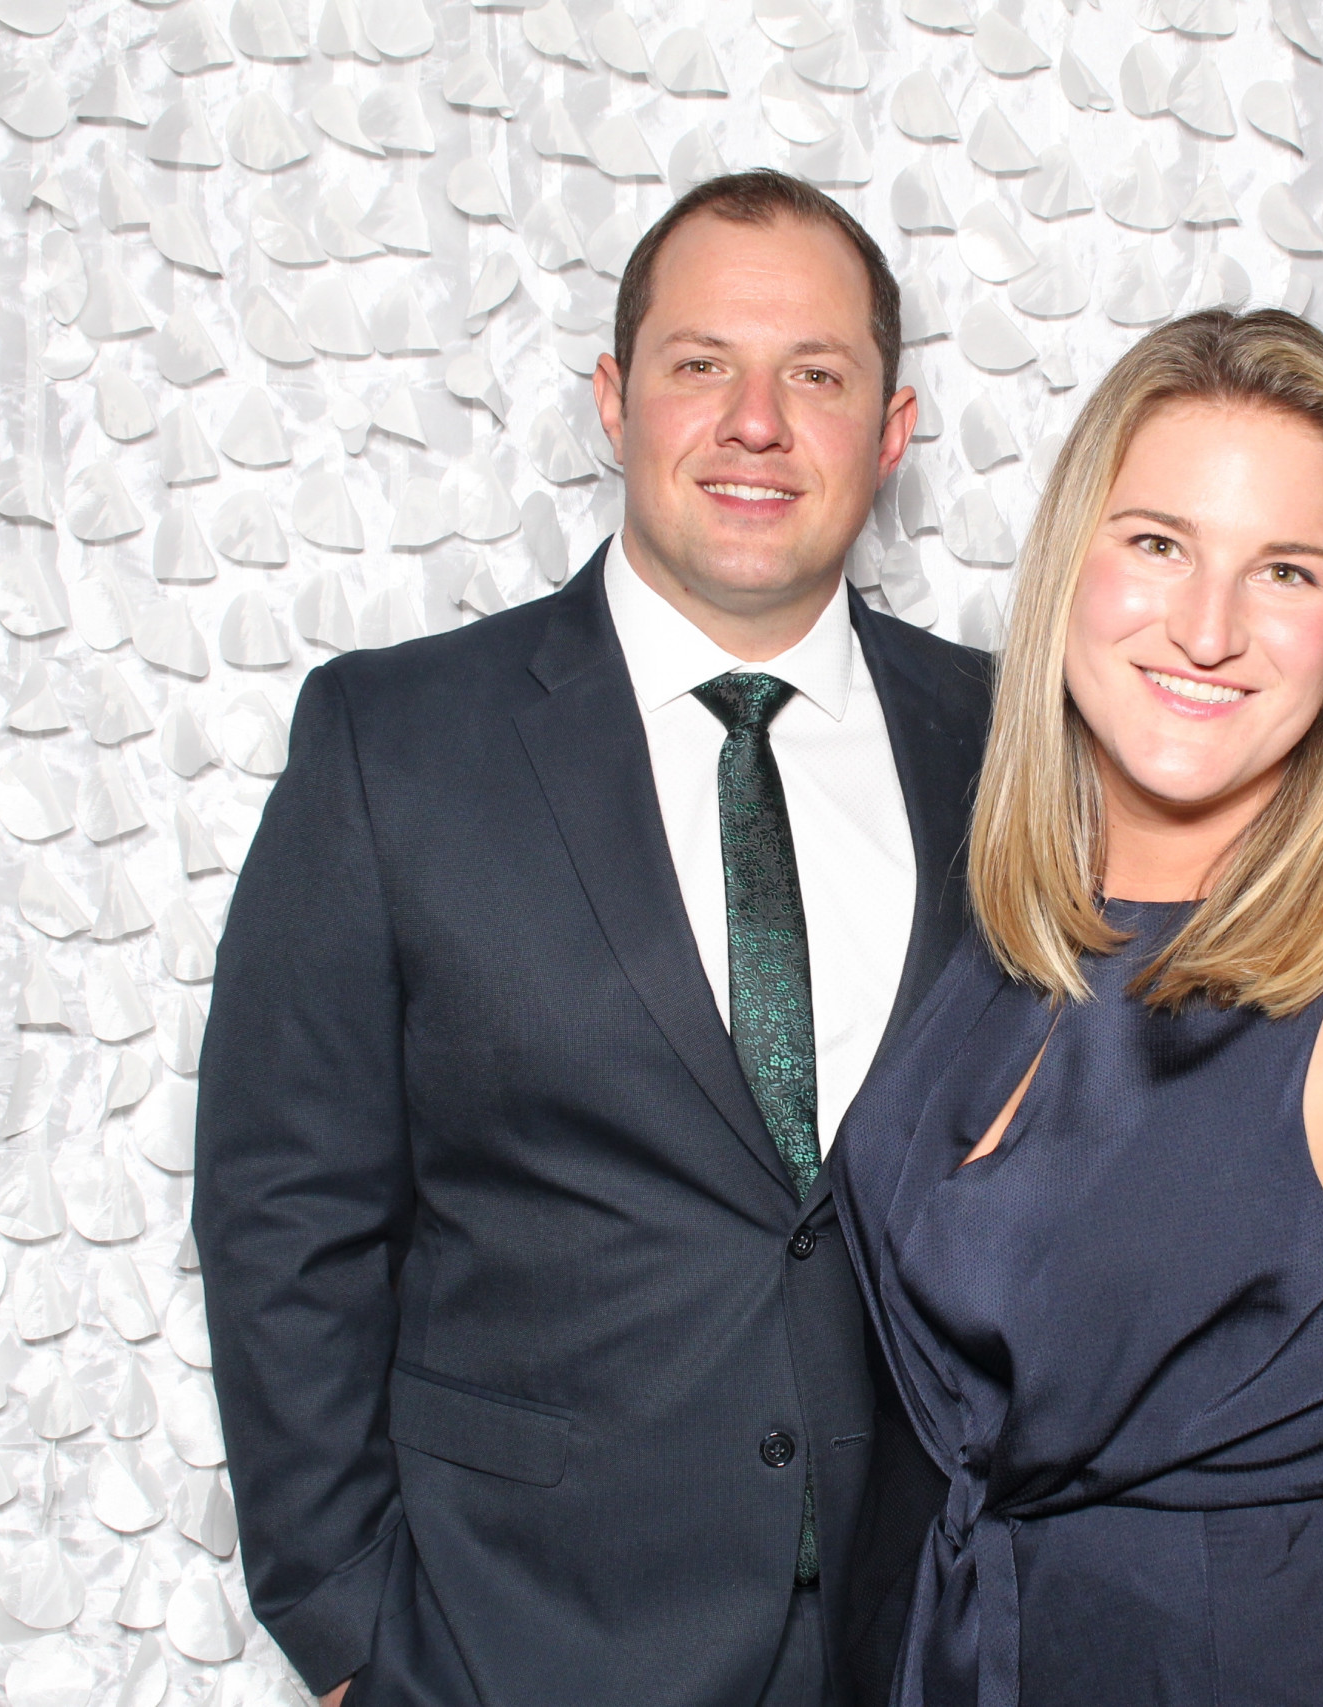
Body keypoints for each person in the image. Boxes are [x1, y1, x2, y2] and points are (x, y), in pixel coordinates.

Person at [193, 171, 988, 1707]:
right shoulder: (396, 746)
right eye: (702, 364)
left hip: (921, 1648)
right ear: (615, 403)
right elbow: (284, 1209)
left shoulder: (1009, 743)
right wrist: (355, 1643)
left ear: (891, 431)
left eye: (817, 376)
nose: (756, 422)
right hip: (515, 1645)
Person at [831, 308, 1323, 1707]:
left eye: (1287, 571)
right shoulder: (999, 931)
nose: (1206, 628)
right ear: (1069, 565)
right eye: (1158, 544)